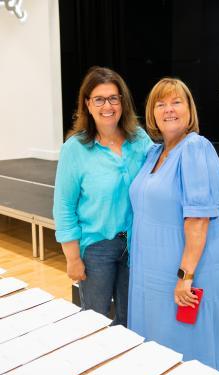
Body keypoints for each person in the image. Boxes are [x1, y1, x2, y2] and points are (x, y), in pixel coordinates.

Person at [127, 77, 219, 375]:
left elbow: (199, 220)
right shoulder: (154, 153)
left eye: (176, 102)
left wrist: (185, 276)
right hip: (156, 269)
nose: (168, 109)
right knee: (162, 351)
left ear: (190, 110)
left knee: (193, 355)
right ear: (152, 113)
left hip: (190, 270)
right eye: (160, 104)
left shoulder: (194, 148)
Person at [53, 66, 152, 326]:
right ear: (87, 103)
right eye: (99, 99)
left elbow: (160, 174)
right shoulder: (75, 149)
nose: (107, 105)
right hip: (96, 249)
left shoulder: (139, 139)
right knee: (94, 322)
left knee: (131, 321)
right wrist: (72, 258)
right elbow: (64, 207)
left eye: (113, 98)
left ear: (122, 102)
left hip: (135, 246)